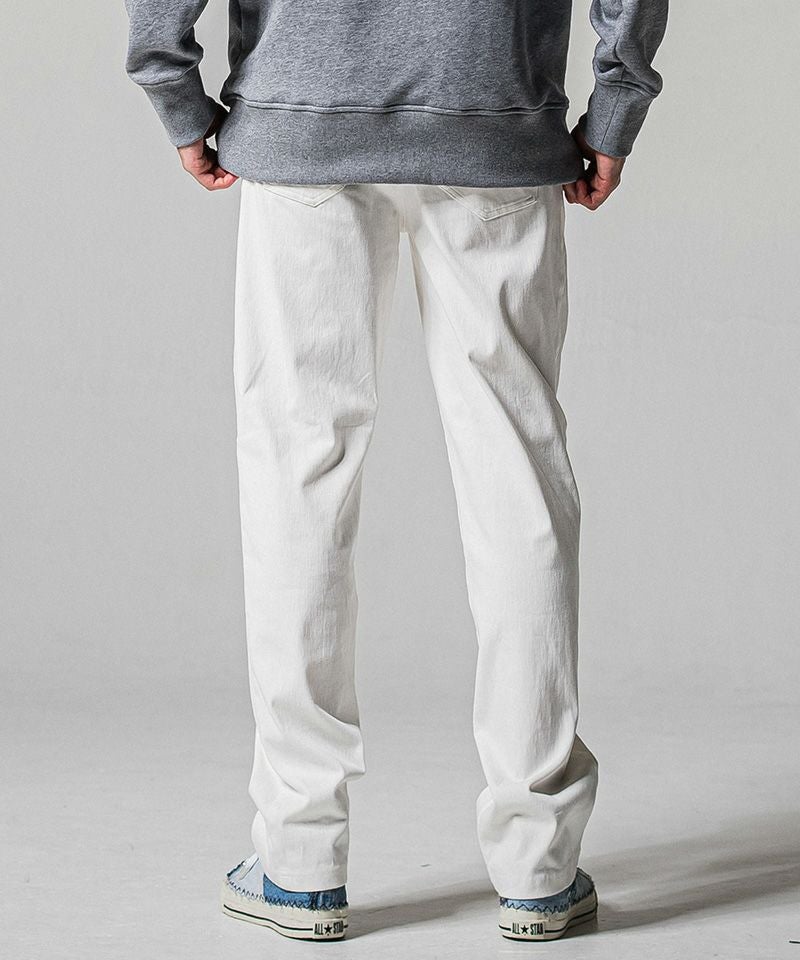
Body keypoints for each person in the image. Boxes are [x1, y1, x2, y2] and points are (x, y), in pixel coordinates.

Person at [124, 0, 667, 942]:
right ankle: (539, 861)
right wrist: (616, 102)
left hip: (302, 116)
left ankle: (299, 854)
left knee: (300, 473)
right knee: (517, 477)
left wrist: (173, 88)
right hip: (493, 116)